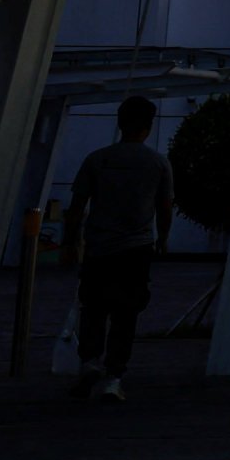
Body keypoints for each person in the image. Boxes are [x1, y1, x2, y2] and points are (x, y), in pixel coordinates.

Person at [66, 96, 176, 402]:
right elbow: (164, 207)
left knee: (94, 307)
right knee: (126, 313)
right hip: (136, 249)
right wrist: (163, 238)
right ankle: (115, 377)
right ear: (148, 126)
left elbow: (76, 207)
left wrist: (69, 242)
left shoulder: (97, 159)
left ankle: (89, 361)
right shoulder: (157, 163)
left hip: (99, 248)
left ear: (120, 122)